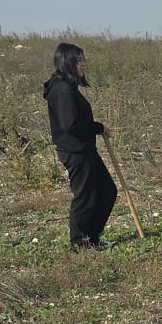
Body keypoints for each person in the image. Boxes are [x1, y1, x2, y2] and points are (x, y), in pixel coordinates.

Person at [43, 42, 118, 250]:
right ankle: (79, 243)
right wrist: (98, 127)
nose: (83, 64)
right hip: (75, 151)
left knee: (107, 191)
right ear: (67, 62)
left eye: (83, 60)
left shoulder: (68, 86)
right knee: (85, 196)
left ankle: (92, 238)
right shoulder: (62, 89)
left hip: (84, 149)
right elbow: (71, 125)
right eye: (78, 61)